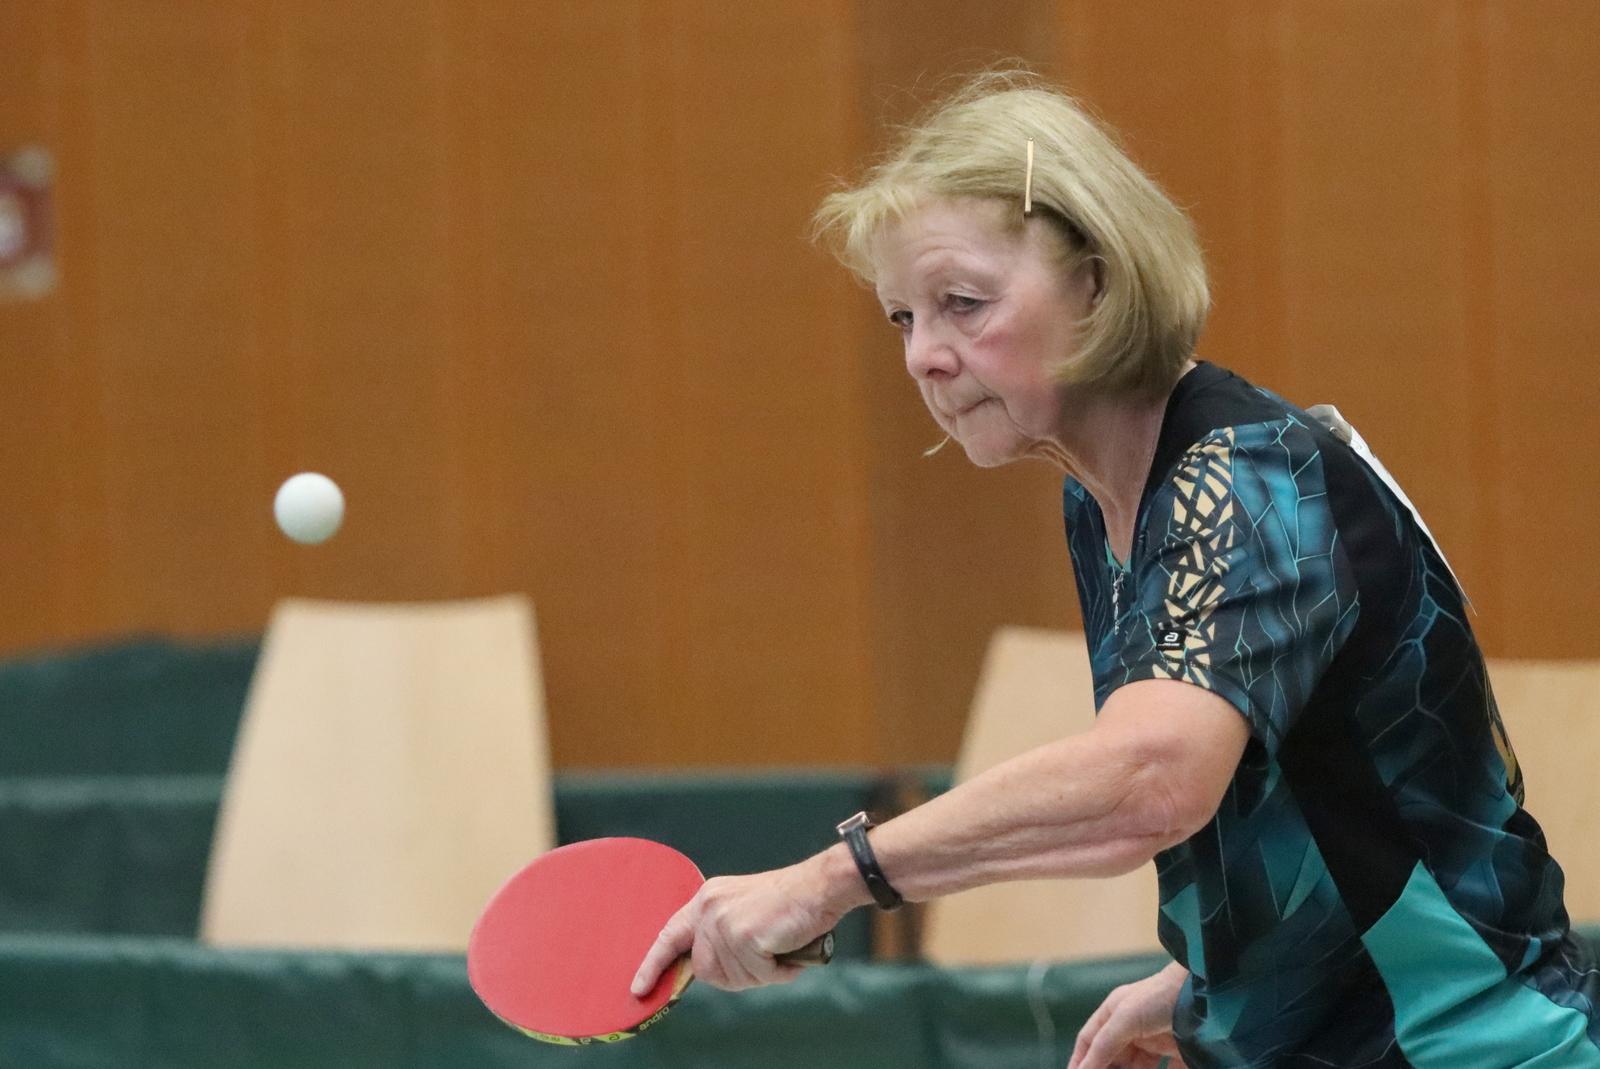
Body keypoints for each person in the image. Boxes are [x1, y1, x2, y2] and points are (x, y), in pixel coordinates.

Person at [629, 72, 1600, 1068]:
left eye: (962, 303)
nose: (924, 356)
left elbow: (1151, 777)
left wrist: (833, 876)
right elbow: (1338, 786)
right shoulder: (1105, 502)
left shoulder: (1247, 479)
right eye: (903, 318)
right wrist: (1216, 982)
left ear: (1097, 281)